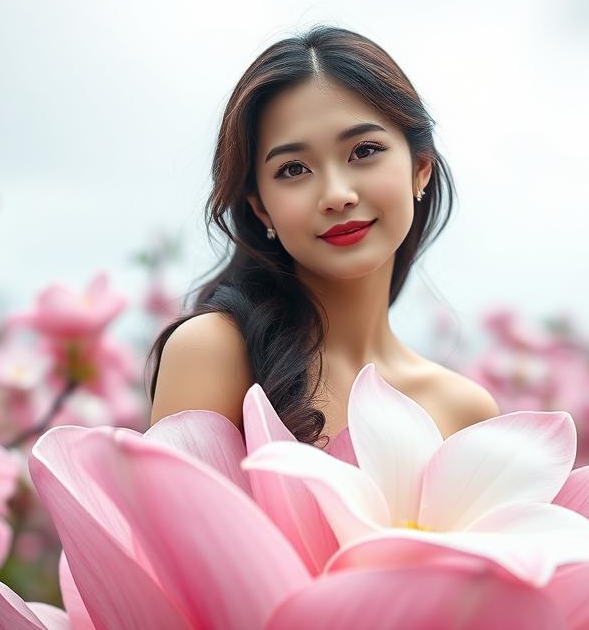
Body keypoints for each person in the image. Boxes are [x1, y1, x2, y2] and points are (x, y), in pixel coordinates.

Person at [147, 24, 498, 449]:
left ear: (420, 167)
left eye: (364, 151)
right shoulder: (213, 352)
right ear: (261, 207)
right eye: (293, 169)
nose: (336, 195)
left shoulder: (466, 413)